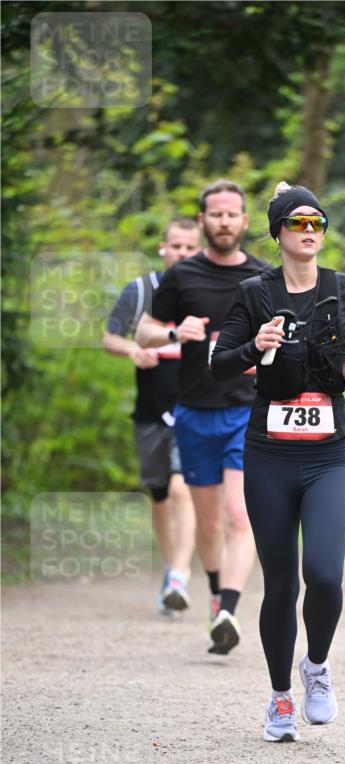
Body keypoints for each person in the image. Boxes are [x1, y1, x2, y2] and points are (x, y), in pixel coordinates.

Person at [211, 182, 345, 742]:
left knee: (325, 575)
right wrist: (255, 347)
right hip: (270, 454)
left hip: (330, 451)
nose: (310, 233)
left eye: (317, 224)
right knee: (281, 585)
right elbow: (219, 363)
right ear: (279, 232)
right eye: (298, 224)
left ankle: (318, 668)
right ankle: (281, 697)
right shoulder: (254, 293)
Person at [136, 180, 268, 654]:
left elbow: (290, 336)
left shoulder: (263, 277)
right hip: (193, 412)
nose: (225, 222)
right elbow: (145, 332)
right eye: (216, 214)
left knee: (240, 515)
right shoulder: (183, 276)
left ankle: (229, 609)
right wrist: (174, 330)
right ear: (203, 220)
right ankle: (217, 595)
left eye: (233, 214)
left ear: (245, 220)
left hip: (245, 411)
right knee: (208, 526)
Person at [103, 218, 199, 616]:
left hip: (194, 405)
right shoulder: (141, 290)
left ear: (200, 250)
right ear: (163, 248)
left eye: (190, 247)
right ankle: (169, 569)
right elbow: (109, 336)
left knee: (182, 488)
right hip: (150, 408)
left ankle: (180, 575)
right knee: (159, 494)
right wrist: (132, 351)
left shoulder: (208, 290)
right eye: (176, 246)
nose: (182, 253)